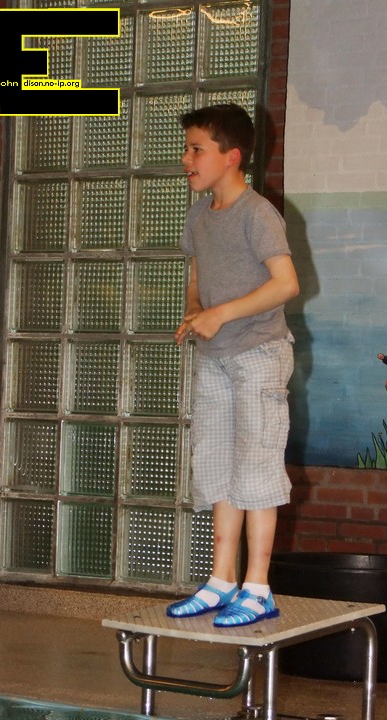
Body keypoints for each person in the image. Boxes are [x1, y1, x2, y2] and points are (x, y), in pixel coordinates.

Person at [166, 103, 299, 628]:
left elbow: (286, 284)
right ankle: (222, 581)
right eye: (187, 148)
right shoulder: (199, 215)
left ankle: (258, 588)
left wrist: (221, 314)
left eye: (196, 149)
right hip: (215, 360)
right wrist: (195, 309)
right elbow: (198, 274)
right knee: (218, 466)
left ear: (231, 156)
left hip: (260, 355)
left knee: (256, 470)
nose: (186, 159)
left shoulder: (258, 213)